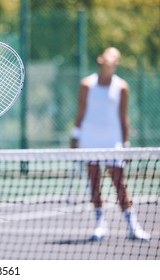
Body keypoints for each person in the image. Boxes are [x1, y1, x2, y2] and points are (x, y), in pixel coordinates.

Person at [70, 47, 150, 241]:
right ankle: (100, 225)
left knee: (118, 181)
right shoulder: (87, 84)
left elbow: (124, 117)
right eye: (110, 55)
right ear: (101, 59)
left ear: (117, 62)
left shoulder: (122, 87)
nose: (113, 59)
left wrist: (125, 143)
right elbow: (80, 113)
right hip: (90, 140)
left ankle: (133, 226)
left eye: (116, 57)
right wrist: (75, 137)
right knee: (94, 181)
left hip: (112, 141)